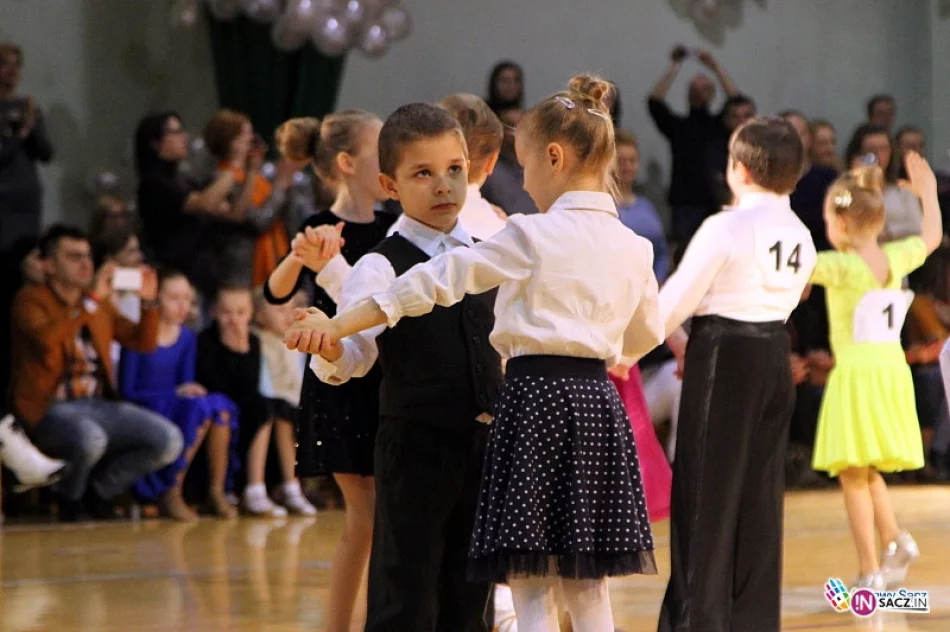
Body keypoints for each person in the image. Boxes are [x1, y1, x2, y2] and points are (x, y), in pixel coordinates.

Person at [289, 76, 663, 631]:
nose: (443, 186)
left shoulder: (505, 244)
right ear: (390, 184)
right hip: (418, 450)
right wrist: (332, 339)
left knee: (482, 597)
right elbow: (355, 357)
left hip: (497, 441)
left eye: (455, 171)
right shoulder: (385, 261)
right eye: (423, 173)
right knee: (409, 592)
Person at [652, 118, 818, 631]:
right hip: (773, 355)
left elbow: (669, 306)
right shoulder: (801, 233)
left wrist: (621, 347)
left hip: (724, 352)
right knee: (759, 504)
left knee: (705, 501)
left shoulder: (726, 226)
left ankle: (696, 624)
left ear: (738, 169)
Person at [267, 110, 393, 632]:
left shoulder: (394, 227)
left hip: (385, 383)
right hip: (341, 385)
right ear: (347, 162)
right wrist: (302, 259)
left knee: (381, 520)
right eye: (381, 148)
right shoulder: (319, 228)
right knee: (364, 520)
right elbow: (275, 290)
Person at [810, 154, 941, 589]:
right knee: (867, 470)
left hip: (857, 376)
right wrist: (926, 194)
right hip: (891, 373)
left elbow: (795, 265)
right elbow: (933, 236)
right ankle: (894, 538)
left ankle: (868, 571)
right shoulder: (896, 257)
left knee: (852, 475)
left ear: (842, 223)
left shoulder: (841, 267)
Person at [9, 224, 183, 521]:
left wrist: (150, 301)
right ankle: (68, 499)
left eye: (88, 256)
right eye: (73, 256)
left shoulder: (99, 305)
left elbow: (142, 342)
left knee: (167, 440)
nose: (85, 263)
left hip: (97, 404)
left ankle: (99, 492)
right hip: (48, 408)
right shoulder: (31, 300)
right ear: (49, 265)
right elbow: (47, 340)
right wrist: (90, 301)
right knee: (91, 437)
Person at [119, 270, 239, 521]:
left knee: (219, 404)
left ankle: (216, 491)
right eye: (174, 298)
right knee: (199, 407)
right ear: (157, 298)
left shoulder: (186, 337)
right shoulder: (138, 334)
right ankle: (171, 488)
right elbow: (127, 391)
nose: (183, 305)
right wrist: (174, 392)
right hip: (146, 404)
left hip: (176, 405)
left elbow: (186, 383)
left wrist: (186, 391)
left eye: (187, 299)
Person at [647, 45, 739, 247]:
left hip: (715, 201)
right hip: (685, 204)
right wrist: (675, 65)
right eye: (695, 89)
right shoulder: (679, 127)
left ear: (712, 94)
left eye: (705, 89)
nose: (700, 93)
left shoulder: (719, 125)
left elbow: (737, 103)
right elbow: (654, 102)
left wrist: (715, 67)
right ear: (688, 94)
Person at [0, 42, 54, 251]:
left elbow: (45, 154)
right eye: (5, 64)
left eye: (16, 65)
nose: (12, 71)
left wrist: (32, 125)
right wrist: (21, 132)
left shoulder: (27, 107)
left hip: (27, 194)